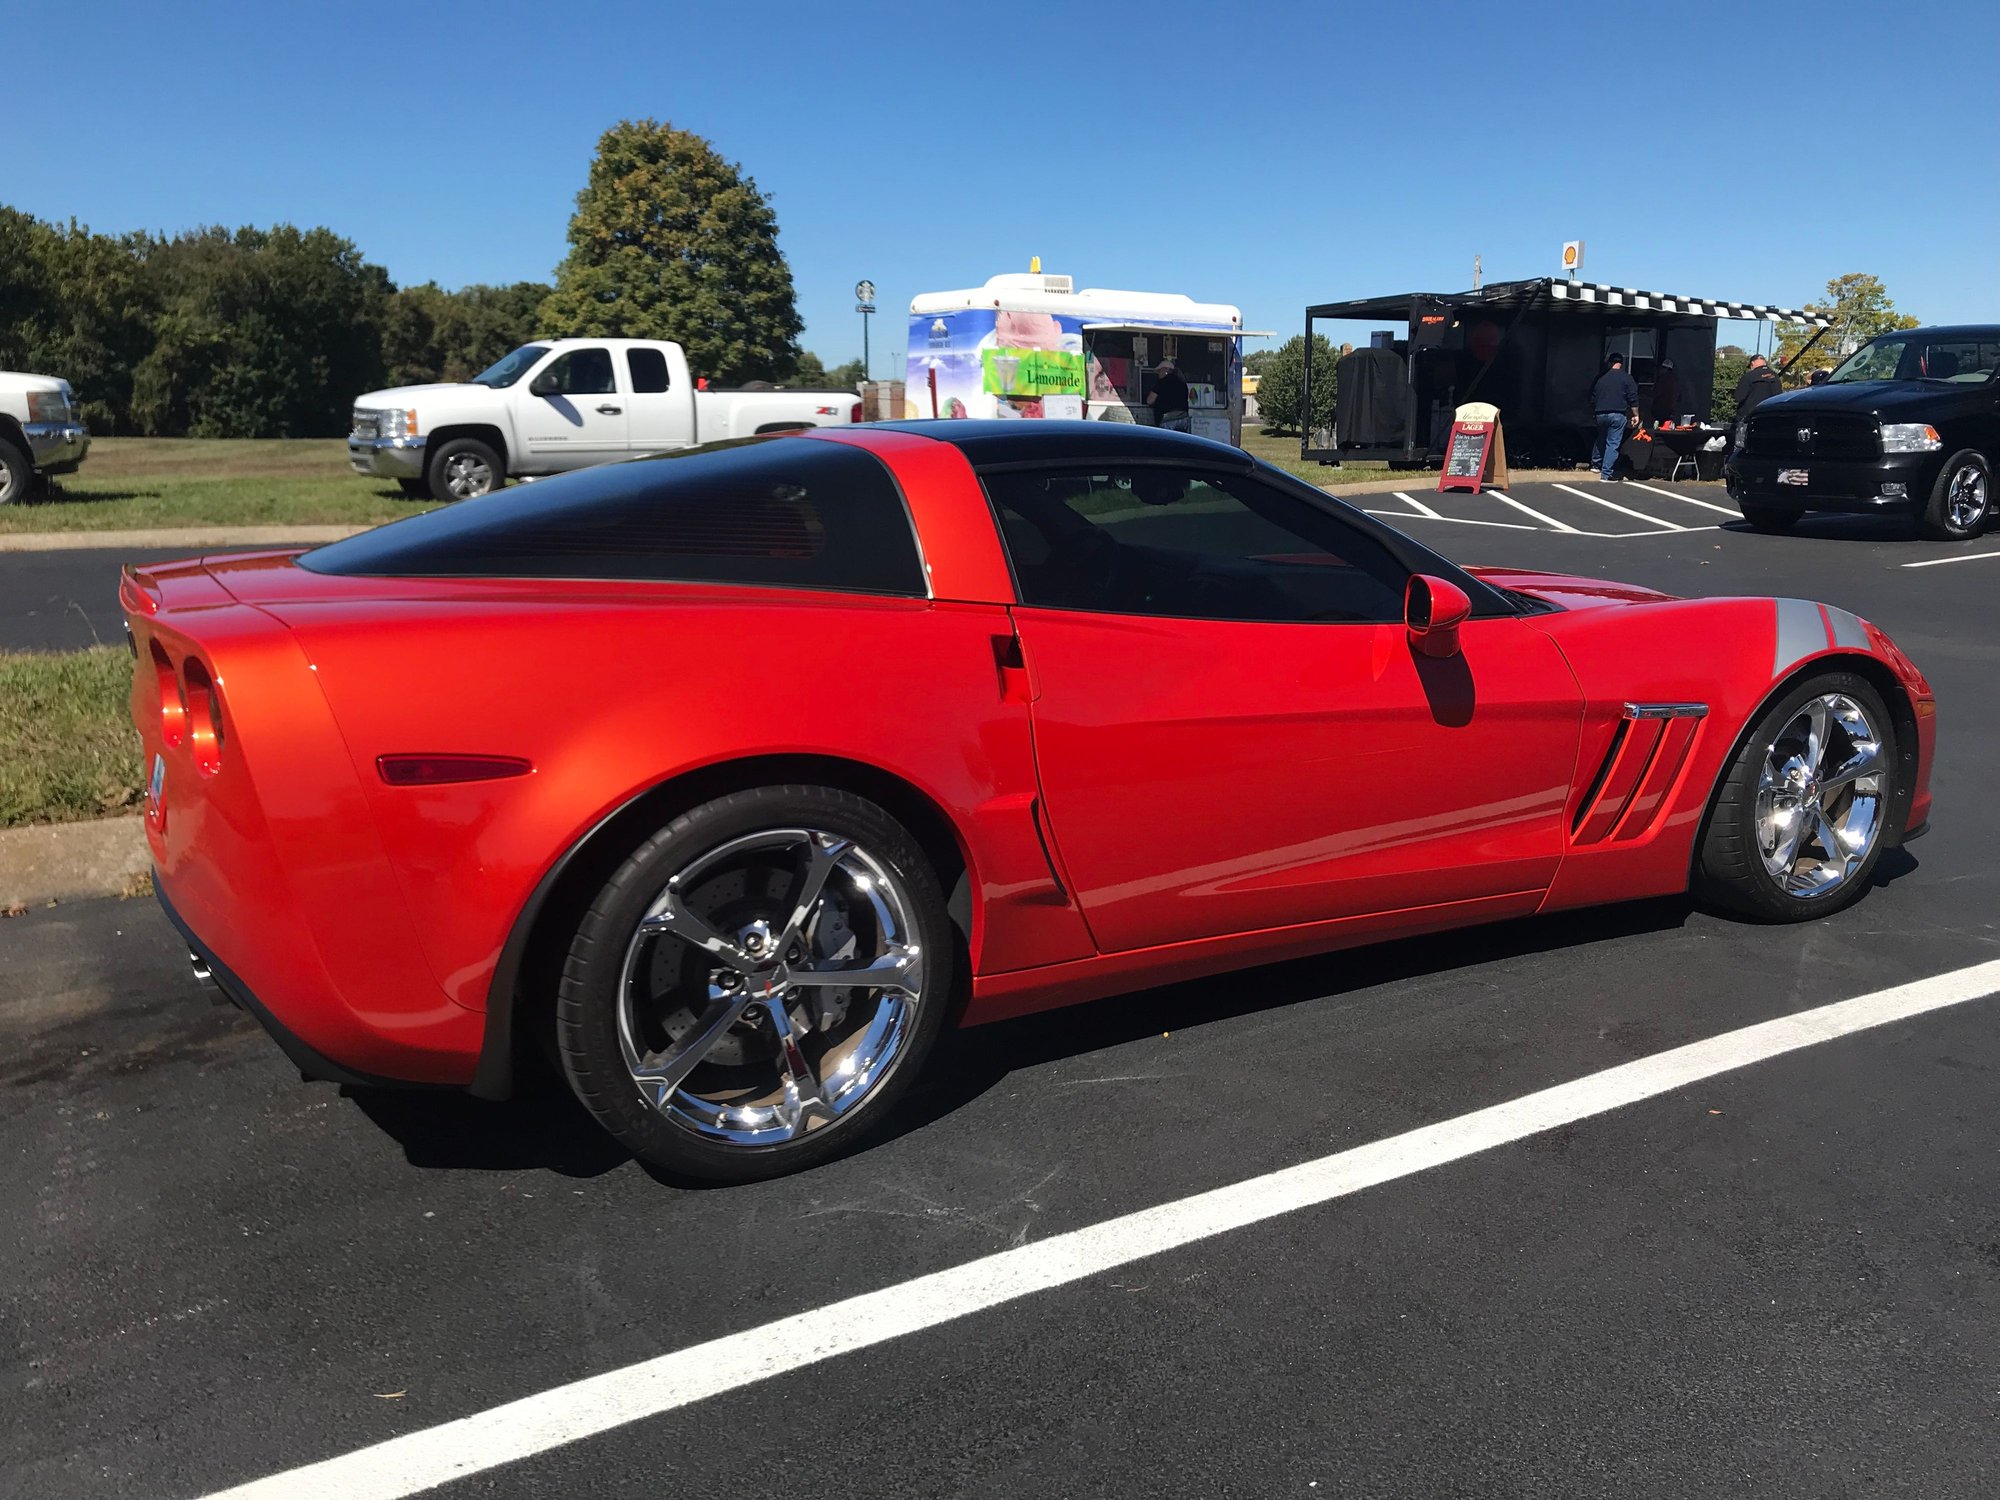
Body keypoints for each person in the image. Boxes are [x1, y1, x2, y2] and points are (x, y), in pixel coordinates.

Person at [1590, 353, 1640, 481]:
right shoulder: (1627, 378)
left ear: (1609, 362)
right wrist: (1636, 415)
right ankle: (1606, 474)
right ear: (1621, 363)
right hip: (1618, 414)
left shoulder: (1600, 378)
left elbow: (1592, 396)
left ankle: (1596, 464)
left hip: (1600, 413)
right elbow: (1633, 398)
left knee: (1601, 438)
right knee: (1613, 443)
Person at [1147, 359, 1190, 432]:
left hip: (1168, 418)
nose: (1158, 374)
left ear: (1165, 370)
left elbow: (1149, 400)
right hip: (1183, 418)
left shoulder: (1162, 382)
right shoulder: (1182, 383)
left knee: (1167, 442)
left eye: (1159, 371)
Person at [1735, 354, 1783, 419]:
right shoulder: (1775, 376)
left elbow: (1739, 397)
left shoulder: (1749, 376)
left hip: (1751, 417)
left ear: (1752, 363)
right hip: (1770, 416)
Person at [1650, 358, 1682, 423]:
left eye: (1661, 368)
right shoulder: (1676, 380)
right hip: (1672, 410)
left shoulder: (1663, 379)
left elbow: (1655, 393)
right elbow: (1679, 397)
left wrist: (1644, 391)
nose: (1659, 370)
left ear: (1665, 369)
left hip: (1661, 410)